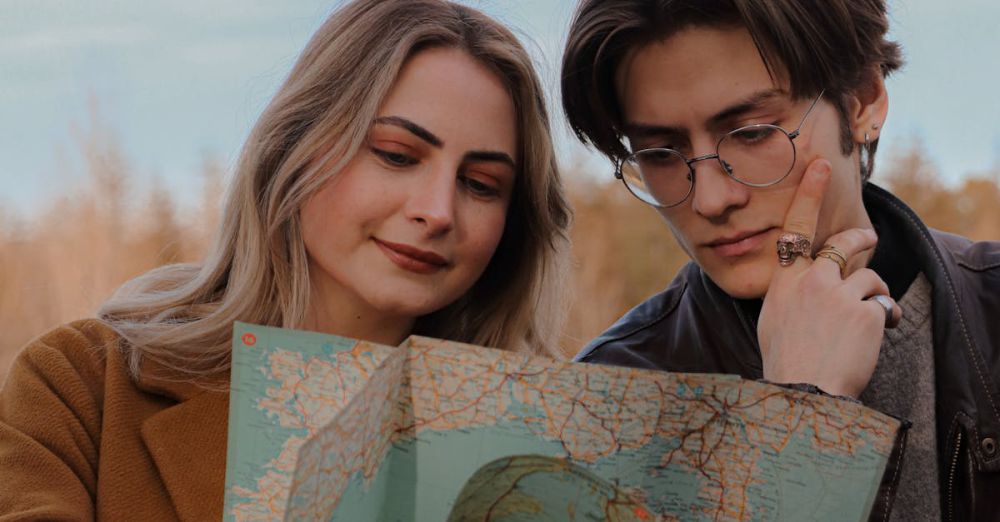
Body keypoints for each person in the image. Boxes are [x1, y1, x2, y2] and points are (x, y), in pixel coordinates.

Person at [0, 0, 570, 519]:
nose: (438, 210)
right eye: (396, 155)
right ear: (297, 146)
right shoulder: (81, 388)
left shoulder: (551, 451)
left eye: (481, 183)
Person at [561, 0, 1000, 520]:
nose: (710, 200)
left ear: (863, 100)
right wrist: (803, 417)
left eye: (751, 133)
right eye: (660, 153)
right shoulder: (607, 395)